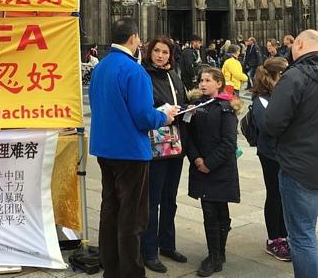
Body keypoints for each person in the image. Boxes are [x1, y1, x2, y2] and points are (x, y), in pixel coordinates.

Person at [89, 18, 177, 278]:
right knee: (132, 217)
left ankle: (112, 269)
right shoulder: (134, 71)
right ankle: (131, 272)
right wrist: (164, 116)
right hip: (129, 150)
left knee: (110, 210)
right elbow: (143, 117)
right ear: (133, 38)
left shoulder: (100, 67)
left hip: (104, 147)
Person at [265, 30, 318, 277]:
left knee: (303, 237)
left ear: (300, 44)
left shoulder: (295, 76)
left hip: (300, 167)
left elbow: (272, 122)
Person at [186, 67, 241, 277]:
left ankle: (219, 254)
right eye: (201, 80)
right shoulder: (195, 107)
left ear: (219, 83)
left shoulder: (226, 108)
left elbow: (229, 142)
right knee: (209, 211)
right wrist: (196, 158)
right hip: (201, 166)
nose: (203, 84)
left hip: (220, 168)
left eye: (208, 80)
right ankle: (214, 255)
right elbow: (188, 136)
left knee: (221, 210)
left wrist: (209, 163)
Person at [140, 37, 189, 273]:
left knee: (170, 198)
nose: (160, 56)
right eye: (157, 51)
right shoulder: (143, 76)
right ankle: (149, 251)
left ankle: (167, 244)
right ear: (149, 52)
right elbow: (141, 109)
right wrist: (163, 112)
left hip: (175, 146)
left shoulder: (173, 76)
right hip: (155, 147)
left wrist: (187, 108)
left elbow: (183, 101)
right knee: (153, 200)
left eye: (165, 52)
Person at [251, 57, 291, 261]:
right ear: (277, 75)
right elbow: (267, 127)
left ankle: (284, 235)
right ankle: (274, 239)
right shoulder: (261, 100)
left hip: (283, 153)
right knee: (274, 194)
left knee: (283, 195)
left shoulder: (279, 96)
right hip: (270, 154)